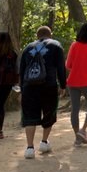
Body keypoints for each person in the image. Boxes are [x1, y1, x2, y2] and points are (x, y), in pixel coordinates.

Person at [19, 26, 66, 159]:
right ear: (50, 35)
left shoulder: (28, 48)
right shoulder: (56, 45)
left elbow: (22, 71)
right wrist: (63, 85)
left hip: (29, 87)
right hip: (48, 86)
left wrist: (22, 90)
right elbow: (61, 68)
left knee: (29, 117)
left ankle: (29, 148)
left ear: (37, 35)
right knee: (49, 114)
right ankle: (44, 142)